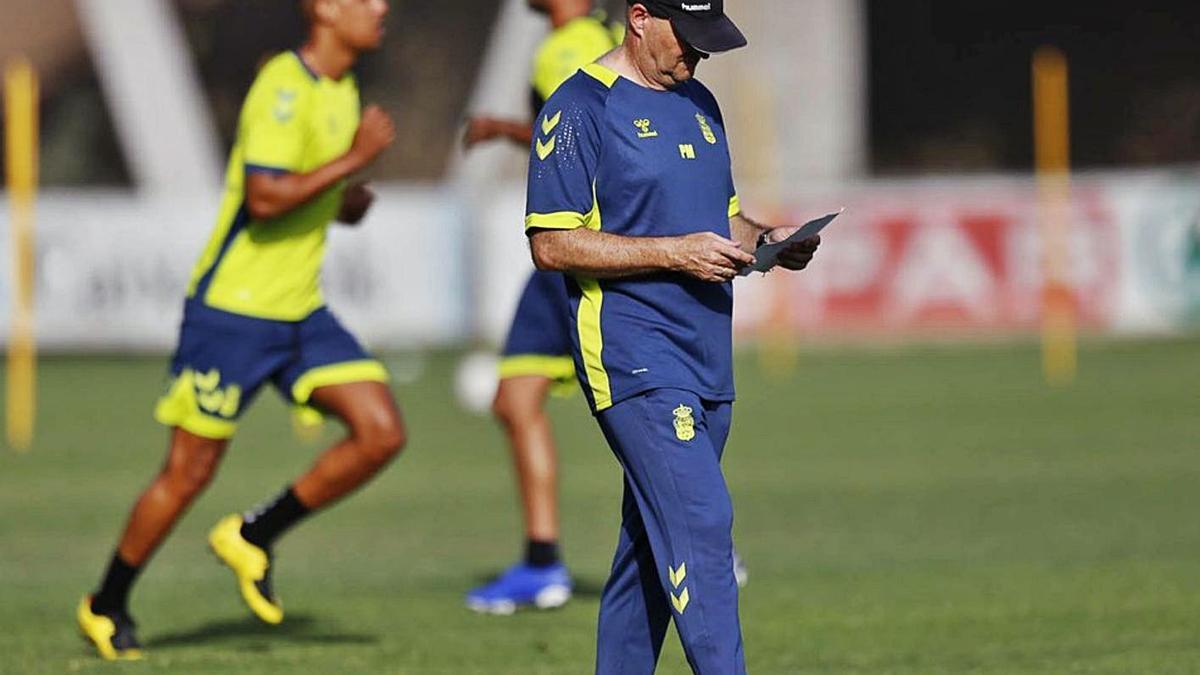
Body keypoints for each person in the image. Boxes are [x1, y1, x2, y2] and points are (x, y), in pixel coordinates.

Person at [77, 0, 402, 660]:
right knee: (187, 472)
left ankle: (255, 533)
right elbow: (264, 198)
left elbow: (305, 195)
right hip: (233, 312)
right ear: (325, 10)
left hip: (299, 310)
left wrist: (347, 202)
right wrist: (352, 163)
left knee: (381, 431)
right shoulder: (284, 85)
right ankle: (105, 601)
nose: (380, 8)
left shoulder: (345, 91)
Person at [524, 1, 820, 672]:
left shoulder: (701, 102)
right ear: (638, 17)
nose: (699, 54)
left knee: (649, 551)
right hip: (632, 353)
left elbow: (726, 217)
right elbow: (552, 242)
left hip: (707, 355)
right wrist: (673, 253)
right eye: (688, 38)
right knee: (703, 525)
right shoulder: (578, 109)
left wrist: (768, 240)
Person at [461, 0, 621, 615]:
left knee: (636, 408)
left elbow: (577, 134)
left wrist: (501, 129)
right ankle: (541, 563)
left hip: (581, 245)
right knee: (515, 397)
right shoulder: (588, 37)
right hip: (569, 253)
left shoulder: (569, 44)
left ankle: (696, 540)